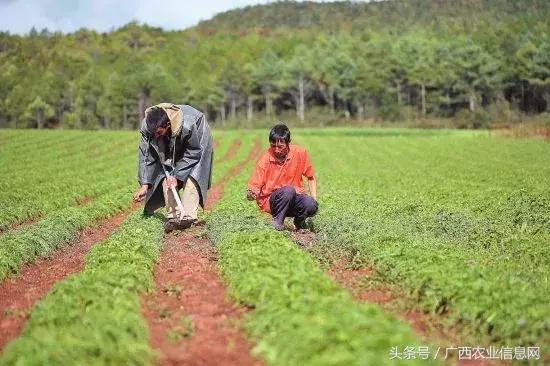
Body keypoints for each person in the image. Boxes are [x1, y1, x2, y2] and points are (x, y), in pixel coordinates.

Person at [133, 103, 213, 233]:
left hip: (198, 136)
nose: (156, 136)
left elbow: (193, 152)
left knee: (194, 175)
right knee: (167, 177)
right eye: (154, 134)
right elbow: (145, 155)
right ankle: (174, 216)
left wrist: (178, 175)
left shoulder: (188, 125)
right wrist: (145, 184)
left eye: (159, 132)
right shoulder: (149, 127)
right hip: (171, 138)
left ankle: (189, 217)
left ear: (167, 125)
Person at [247, 123, 318, 231]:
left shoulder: (300, 153)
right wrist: (251, 194)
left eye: (280, 146)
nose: (276, 150)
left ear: (288, 143)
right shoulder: (265, 159)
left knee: (311, 205)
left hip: (293, 198)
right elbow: (254, 186)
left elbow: (311, 177)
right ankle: (277, 222)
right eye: (273, 146)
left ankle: (299, 222)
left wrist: (314, 198)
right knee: (288, 190)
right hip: (273, 201)